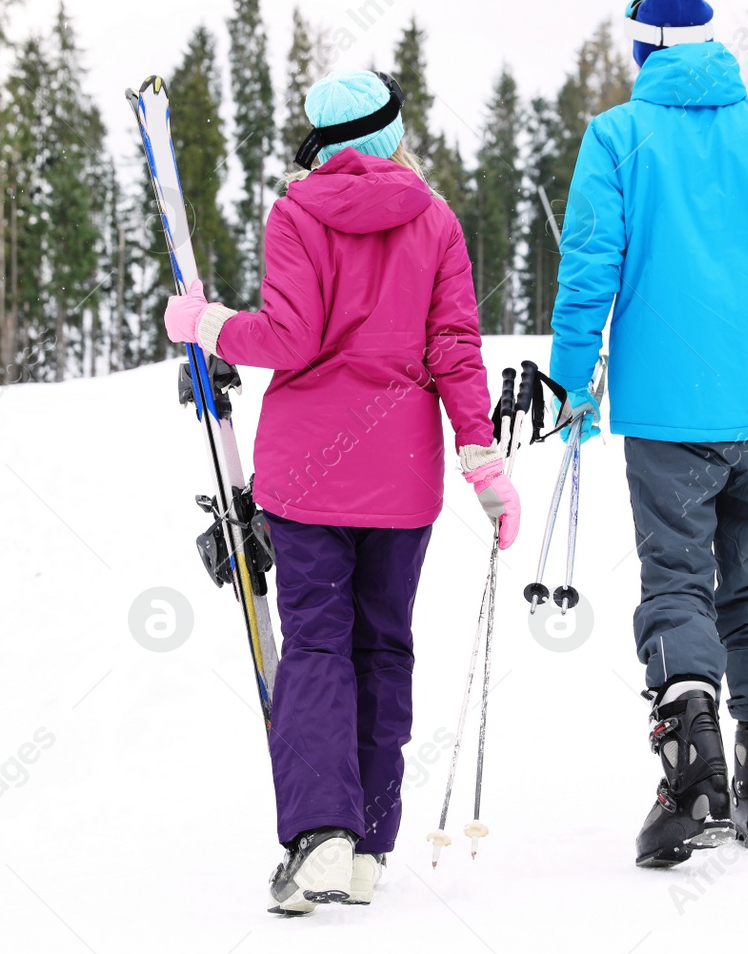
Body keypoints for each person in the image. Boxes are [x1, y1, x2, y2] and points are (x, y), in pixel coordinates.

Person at [164, 69, 520, 914]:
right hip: (401, 482)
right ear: (391, 135)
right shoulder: (436, 222)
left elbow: (288, 337)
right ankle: (365, 846)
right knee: (383, 647)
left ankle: (320, 836)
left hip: (309, 476)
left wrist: (202, 324)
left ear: (327, 142)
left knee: (319, 644)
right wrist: (484, 463)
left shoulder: (298, 213)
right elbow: (456, 350)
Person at [547, 0, 748, 867]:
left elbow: (588, 269)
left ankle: (694, 780)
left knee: (678, 578)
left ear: (644, 49)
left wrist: (573, 382)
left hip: (668, 410)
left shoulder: (615, 137)